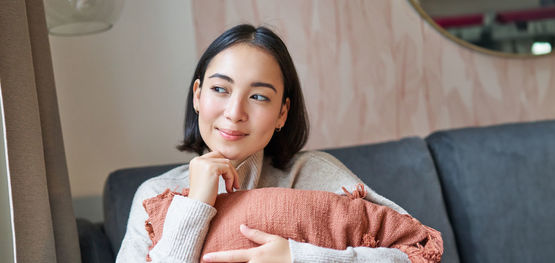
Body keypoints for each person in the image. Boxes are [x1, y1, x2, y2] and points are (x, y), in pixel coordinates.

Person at [116, 24, 411, 263]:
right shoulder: (157, 196)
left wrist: (297, 258)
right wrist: (195, 204)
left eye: (258, 96)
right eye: (220, 89)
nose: (234, 113)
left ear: (282, 112)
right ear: (197, 95)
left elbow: (414, 253)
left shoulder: (314, 175)